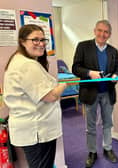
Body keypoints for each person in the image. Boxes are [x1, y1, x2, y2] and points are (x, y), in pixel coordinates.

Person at [3, 24, 67, 168]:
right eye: (35, 40)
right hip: (37, 130)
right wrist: (61, 86)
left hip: (33, 128)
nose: (41, 43)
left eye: (43, 39)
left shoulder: (20, 61)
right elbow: (50, 96)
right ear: (22, 41)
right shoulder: (26, 65)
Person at [72, 20, 118, 168]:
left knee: (108, 123)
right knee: (91, 125)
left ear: (109, 34)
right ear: (95, 31)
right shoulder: (83, 46)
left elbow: (117, 70)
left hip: (107, 92)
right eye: (100, 30)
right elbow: (75, 68)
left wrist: (115, 77)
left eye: (106, 32)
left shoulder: (113, 51)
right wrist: (89, 73)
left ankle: (107, 148)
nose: (102, 34)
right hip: (89, 93)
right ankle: (92, 152)